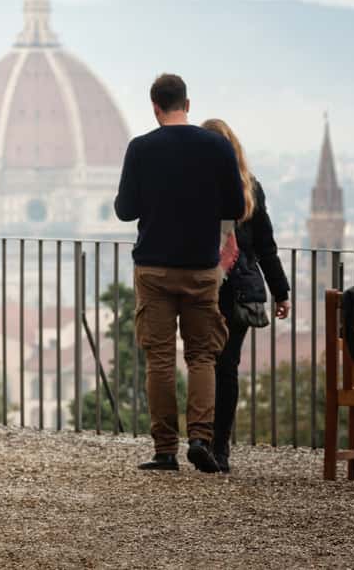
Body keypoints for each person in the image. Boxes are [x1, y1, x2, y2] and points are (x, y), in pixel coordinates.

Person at [114, 74, 245, 473]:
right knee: (203, 355)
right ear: (187, 104)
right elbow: (237, 206)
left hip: (153, 268)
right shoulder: (218, 146)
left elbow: (125, 210)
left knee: (160, 360)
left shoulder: (141, 148)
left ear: (155, 107)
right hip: (202, 268)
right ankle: (202, 439)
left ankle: (166, 449)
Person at [201, 119, 290, 473]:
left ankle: (204, 441)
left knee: (203, 365)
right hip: (242, 291)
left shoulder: (196, 189)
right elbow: (266, 247)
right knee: (226, 368)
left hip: (206, 287)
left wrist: (281, 290)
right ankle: (218, 447)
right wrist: (280, 291)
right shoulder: (250, 188)